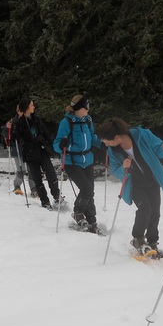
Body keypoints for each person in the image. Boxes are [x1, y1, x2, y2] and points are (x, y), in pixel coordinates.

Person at [96, 118, 163, 258]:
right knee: (145, 209)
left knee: (155, 212)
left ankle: (152, 241)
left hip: (152, 180)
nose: (105, 144)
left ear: (116, 137)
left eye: (106, 141)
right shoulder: (114, 151)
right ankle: (137, 238)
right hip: (135, 185)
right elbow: (116, 170)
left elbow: (158, 147)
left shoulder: (142, 135)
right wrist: (123, 167)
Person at [53, 94, 103, 233]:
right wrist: (63, 144)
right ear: (79, 108)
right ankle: (78, 212)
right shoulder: (66, 122)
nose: (88, 109)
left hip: (87, 160)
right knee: (87, 189)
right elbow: (56, 144)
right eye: (86, 106)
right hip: (72, 162)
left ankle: (92, 220)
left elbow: (92, 137)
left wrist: (101, 144)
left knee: (89, 191)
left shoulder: (88, 120)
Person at [13, 99, 61, 209]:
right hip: (30, 154)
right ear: (26, 107)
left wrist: (50, 145)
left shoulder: (37, 120)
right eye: (31, 105)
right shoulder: (19, 123)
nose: (33, 106)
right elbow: (16, 139)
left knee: (51, 174)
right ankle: (44, 200)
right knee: (37, 178)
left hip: (42, 150)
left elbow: (45, 133)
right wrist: (15, 136)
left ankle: (57, 195)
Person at [7, 106, 37, 197]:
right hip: (17, 150)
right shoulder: (12, 122)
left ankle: (33, 188)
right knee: (21, 170)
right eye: (20, 111)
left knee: (31, 169)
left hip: (28, 149)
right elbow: (5, 134)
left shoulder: (29, 121)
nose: (22, 113)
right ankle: (17, 185)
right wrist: (7, 128)